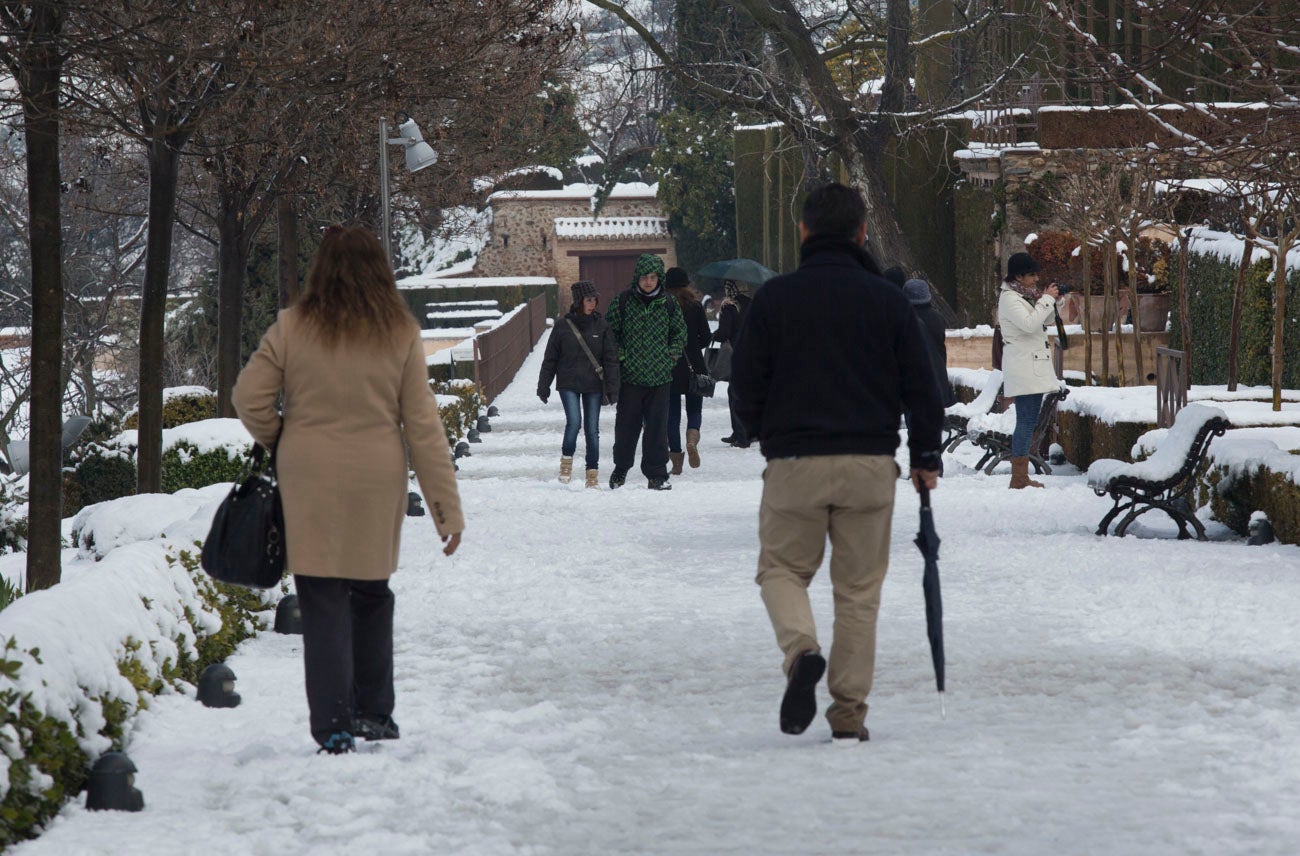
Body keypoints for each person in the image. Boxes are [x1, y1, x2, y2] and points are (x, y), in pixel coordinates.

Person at [233, 225, 464, 755]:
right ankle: (375, 713)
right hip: (375, 476)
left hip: (307, 476)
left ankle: (333, 724)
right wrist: (445, 512)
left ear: (321, 269)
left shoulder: (292, 328)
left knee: (322, 600)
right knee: (371, 593)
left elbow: (249, 398)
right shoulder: (400, 332)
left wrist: (284, 439)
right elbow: (423, 426)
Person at [730, 183, 943, 745]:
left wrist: (759, 430)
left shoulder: (776, 299)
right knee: (857, 592)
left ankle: (802, 650)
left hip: (796, 459)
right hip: (870, 462)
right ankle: (848, 714)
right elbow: (923, 385)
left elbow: (745, 379)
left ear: (803, 231)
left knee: (780, 571)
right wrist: (925, 454)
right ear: (862, 234)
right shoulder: (888, 300)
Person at [605, 253, 687, 490]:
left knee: (657, 429)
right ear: (637, 278)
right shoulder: (623, 302)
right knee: (626, 428)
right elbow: (611, 334)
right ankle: (621, 469)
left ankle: (657, 474)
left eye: (652, 277)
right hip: (631, 377)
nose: (648, 281)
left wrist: (671, 355)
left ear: (659, 278)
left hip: (660, 377)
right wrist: (622, 356)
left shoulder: (669, 303)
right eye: (644, 277)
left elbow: (680, 333)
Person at [537, 281, 620, 488]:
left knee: (592, 429)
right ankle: (566, 464)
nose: (592, 304)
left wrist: (612, 387)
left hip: (593, 384)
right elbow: (550, 358)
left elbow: (611, 359)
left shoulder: (602, 326)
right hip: (569, 383)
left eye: (594, 300)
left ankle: (592, 473)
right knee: (574, 422)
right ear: (578, 301)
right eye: (588, 300)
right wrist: (543, 385)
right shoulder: (562, 326)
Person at [997, 252, 1060, 489]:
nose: (1035, 279)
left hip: (1030, 364)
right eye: (1031, 275)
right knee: (1025, 420)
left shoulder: (1025, 295)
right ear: (1019, 276)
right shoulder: (1010, 298)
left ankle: (1020, 476)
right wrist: (1045, 299)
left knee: (1028, 419)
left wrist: (1054, 301)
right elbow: (1029, 324)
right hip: (1024, 366)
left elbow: (1045, 321)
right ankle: (1019, 477)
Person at [664, 267, 710, 474]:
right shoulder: (696, 306)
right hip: (694, 364)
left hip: (671, 364)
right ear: (686, 284)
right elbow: (707, 337)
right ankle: (692, 440)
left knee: (672, 414)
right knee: (694, 409)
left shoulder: (663, 307)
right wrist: (693, 345)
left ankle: (676, 459)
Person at [712, 279, 753, 447]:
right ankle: (739, 432)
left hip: (736, 354)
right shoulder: (751, 304)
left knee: (735, 395)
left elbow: (724, 333)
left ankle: (743, 437)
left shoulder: (729, 307)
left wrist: (714, 335)